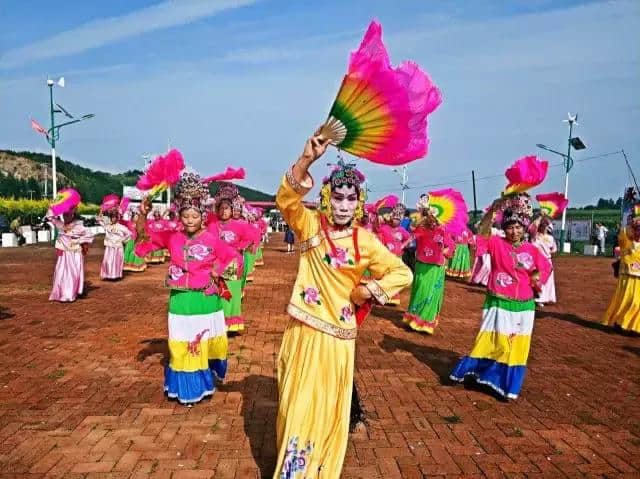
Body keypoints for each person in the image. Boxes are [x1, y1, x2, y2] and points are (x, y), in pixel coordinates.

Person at [273, 130, 412, 478]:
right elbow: (286, 200)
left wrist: (368, 290)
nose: (343, 205)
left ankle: (316, 471)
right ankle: (294, 469)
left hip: (338, 340)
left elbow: (402, 273)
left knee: (325, 409)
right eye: (338, 197)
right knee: (296, 405)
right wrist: (307, 158)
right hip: (303, 330)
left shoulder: (366, 241)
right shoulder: (308, 226)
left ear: (359, 202)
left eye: (351, 199)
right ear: (326, 196)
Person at [135, 171, 240, 405]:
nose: (190, 220)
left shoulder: (212, 240)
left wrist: (218, 272)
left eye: (194, 215)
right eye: (186, 216)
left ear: (202, 217)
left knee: (202, 344)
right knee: (180, 342)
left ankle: (204, 382)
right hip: (180, 301)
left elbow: (235, 260)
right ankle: (187, 389)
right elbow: (143, 238)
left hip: (205, 301)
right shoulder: (173, 238)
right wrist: (142, 215)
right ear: (180, 216)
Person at [449, 194, 551, 400]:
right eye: (510, 227)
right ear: (504, 228)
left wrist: (535, 279)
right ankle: (476, 372)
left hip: (524, 307)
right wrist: (491, 211)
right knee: (492, 341)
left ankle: (505, 385)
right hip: (498, 302)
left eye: (518, 227)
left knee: (516, 347)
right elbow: (481, 233)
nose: (514, 231)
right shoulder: (495, 243)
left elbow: (545, 268)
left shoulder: (532, 250)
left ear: (524, 228)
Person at [207, 182, 257, 333]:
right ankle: (220, 321)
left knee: (232, 292)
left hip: (233, 263)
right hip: (217, 264)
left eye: (227, 208)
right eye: (221, 208)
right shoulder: (213, 225)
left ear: (232, 209)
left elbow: (251, 237)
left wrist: (238, 248)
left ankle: (231, 321)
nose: (223, 211)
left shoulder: (239, 224)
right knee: (219, 291)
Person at [402, 196, 454, 334]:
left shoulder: (443, 230)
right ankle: (414, 319)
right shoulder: (421, 227)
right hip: (421, 263)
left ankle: (426, 322)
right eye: (427, 214)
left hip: (436, 266)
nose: (431, 217)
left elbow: (451, 245)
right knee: (420, 289)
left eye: (433, 215)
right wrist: (402, 245)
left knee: (432, 292)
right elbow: (411, 236)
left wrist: (446, 250)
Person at [47, 190, 94, 302]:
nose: (66, 216)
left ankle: (70, 293)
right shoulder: (60, 225)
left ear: (73, 213)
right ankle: (60, 293)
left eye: (68, 214)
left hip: (75, 254)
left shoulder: (78, 226)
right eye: (64, 214)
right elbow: (50, 217)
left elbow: (90, 236)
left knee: (72, 274)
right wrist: (53, 205)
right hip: (63, 254)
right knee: (60, 273)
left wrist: (78, 241)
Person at [602, 206, 640, 333]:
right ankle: (621, 323)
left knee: (637, 302)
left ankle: (635, 326)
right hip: (628, 271)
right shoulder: (625, 231)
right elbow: (622, 243)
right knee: (627, 299)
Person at [97, 195, 132, 281]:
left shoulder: (121, 227)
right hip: (109, 247)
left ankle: (115, 275)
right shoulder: (107, 225)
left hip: (118, 247)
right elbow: (99, 219)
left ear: (117, 218)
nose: (113, 219)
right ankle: (107, 274)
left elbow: (129, 234)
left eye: (115, 217)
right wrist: (102, 210)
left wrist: (123, 240)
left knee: (116, 262)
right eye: (112, 217)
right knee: (108, 261)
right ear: (110, 218)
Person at [530, 216, 557, 305]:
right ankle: (539, 298)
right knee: (539, 280)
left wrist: (541, 217)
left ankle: (543, 298)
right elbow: (554, 250)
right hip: (540, 262)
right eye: (545, 225)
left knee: (545, 280)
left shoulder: (540, 237)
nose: (545, 227)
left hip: (544, 262)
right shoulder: (536, 236)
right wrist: (541, 216)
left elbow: (554, 249)